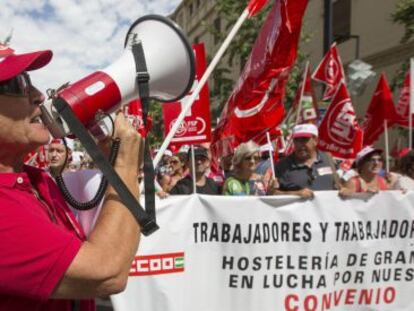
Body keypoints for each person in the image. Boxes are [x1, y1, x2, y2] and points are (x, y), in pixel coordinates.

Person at [0, 47, 143, 310]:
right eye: (17, 83)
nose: (38, 95)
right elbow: (107, 271)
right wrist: (125, 164)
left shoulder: (37, 180)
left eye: (31, 81)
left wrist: (110, 159)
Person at [273, 124, 336, 199]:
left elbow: (340, 185)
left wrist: (348, 190)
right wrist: (295, 194)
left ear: (315, 141)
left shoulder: (328, 159)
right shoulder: (282, 166)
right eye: (296, 140)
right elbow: (272, 194)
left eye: (304, 140)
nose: (299, 145)